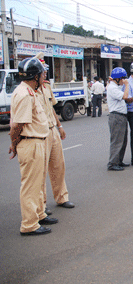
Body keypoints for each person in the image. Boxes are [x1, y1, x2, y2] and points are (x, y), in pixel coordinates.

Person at [9, 57, 58, 236]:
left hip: (38, 141)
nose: (45, 75)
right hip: (30, 142)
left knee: (37, 184)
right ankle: (29, 224)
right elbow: (16, 126)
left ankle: (39, 214)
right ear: (35, 76)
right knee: (30, 186)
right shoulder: (24, 94)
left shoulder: (31, 91)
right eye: (42, 73)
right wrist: (14, 145)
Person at [38, 59, 74, 214]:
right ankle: (41, 204)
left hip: (52, 129)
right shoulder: (30, 90)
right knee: (40, 171)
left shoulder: (46, 86)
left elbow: (51, 108)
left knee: (58, 166)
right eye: (43, 70)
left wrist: (60, 126)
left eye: (46, 70)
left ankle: (62, 197)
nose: (46, 73)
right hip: (40, 132)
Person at [107, 67, 130, 171]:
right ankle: (112, 163)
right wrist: (127, 85)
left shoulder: (115, 86)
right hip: (116, 116)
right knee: (117, 141)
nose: (123, 80)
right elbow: (125, 96)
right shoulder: (112, 88)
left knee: (123, 140)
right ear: (117, 79)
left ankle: (119, 160)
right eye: (122, 79)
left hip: (121, 116)